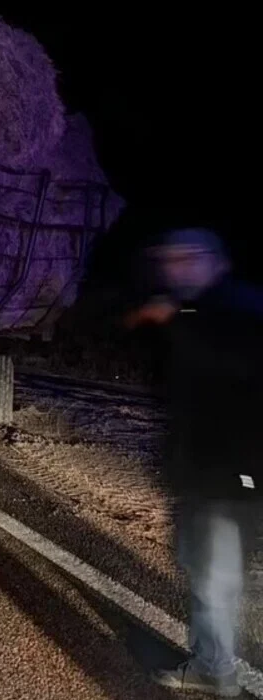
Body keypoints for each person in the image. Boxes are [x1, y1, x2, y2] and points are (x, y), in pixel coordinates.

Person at [127, 227, 263, 697]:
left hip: (230, 477)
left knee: (213, 577)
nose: (174, 268)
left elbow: (229, 366)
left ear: (214, 260)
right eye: (169, 259)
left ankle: (215, 669)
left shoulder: (238, 307)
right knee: (200, 567)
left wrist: (174, 321)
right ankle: (212, 660)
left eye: (185, 258)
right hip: (206, 472)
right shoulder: (204, 306)